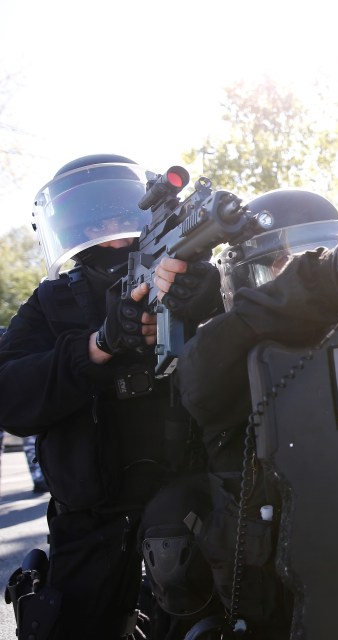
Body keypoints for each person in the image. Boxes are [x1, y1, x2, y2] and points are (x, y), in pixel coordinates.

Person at [149, 189, 338, 638]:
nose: (290, 275)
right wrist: (334, 273)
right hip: (278, 599)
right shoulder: (223, 347)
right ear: (242, 280)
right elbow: (212, 360)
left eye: (308, 257)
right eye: (273, 266)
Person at [0, 155, 220, 639]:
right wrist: (97, 346)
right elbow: (10, 397)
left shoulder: (189, 270)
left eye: (123, 220)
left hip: (191, 501)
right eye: (98, 224)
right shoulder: (51, 303)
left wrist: (210, 307)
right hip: (92, 523)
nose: (116, 238)